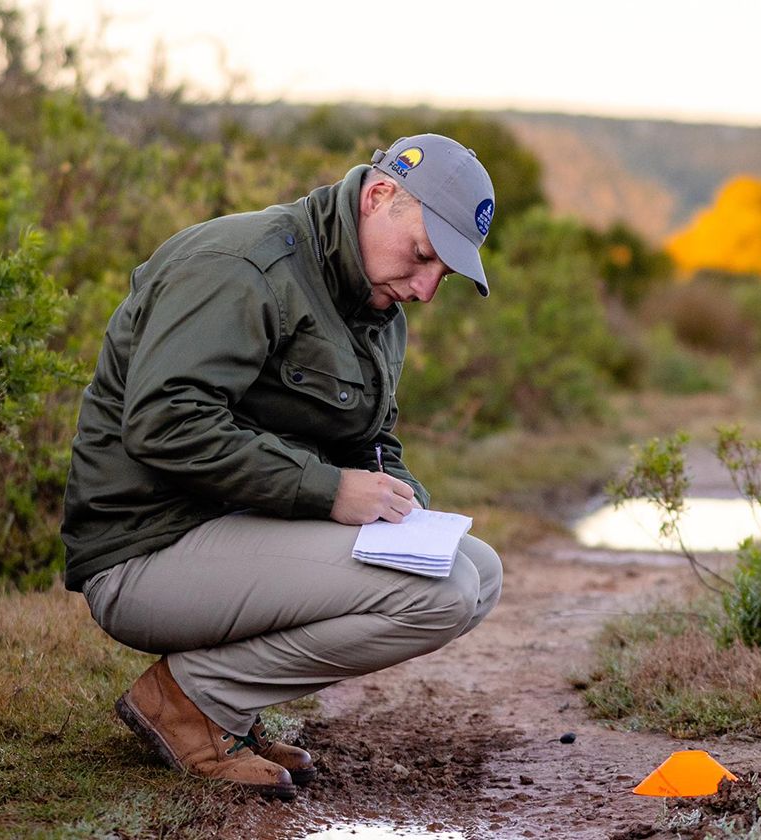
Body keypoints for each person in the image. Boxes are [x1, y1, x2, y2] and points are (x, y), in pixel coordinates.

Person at [58, 134, 504, 801]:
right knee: (436, 596)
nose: (427, 288)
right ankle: (191, 701)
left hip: (234, 534)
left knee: (479, 572)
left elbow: (372, 438)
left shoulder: (375, 305)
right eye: (422, 256)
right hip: (145, 550)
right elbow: (163, 423)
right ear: (379, 195)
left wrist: (403, 499)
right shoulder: (243, 266)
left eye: (445, 272)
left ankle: (224, 707)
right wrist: (329, 491)